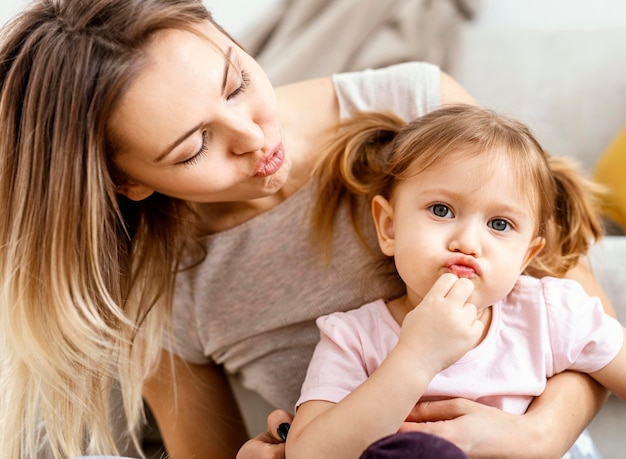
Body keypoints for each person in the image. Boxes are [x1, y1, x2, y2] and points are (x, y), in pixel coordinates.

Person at [0, 1, 615, 458]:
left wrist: (536, 438)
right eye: (194, 148)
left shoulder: (413, 102)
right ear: (128, 182)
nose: (254, 138)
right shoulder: (161, 286)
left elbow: (578, 312)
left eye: (237, 82)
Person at [286, 105, 626, 459]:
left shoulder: (549, 311)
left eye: (499, 224)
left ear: (526, 256)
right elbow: (308, 454)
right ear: (388, 227)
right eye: (441, 210)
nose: (467, 241)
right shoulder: (353, 339)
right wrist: (416, 358)